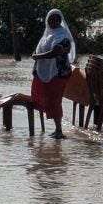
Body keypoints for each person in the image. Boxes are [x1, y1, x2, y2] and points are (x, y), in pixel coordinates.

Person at [31, 8, 76, 139]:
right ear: (47, 20)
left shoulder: (63, 36)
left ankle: (59, 131)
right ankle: (57, 130)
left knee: (55, 101)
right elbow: (38, 51)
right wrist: (36, 55)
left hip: (59, 73)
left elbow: (56, 52)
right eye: (51, 19)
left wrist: (37, 56)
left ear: (60, 21)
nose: (53, 22)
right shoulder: (47, 34)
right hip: (45, 73)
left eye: (56, 20)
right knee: (47, 99)